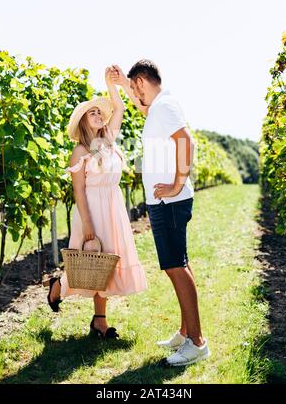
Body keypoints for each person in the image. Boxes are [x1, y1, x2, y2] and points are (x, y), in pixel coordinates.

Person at [110, 60, 210, 365]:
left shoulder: (165, 107)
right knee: (179, 264)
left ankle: (197, 342)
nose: (135, 98)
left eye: (135, 88)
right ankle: (185, 331)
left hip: (171, 202)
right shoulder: (156, 110)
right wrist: (121, 86)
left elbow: (186, 141)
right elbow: (142, 108)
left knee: (175, 266)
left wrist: (177, 183)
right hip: (163, 203)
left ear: (142, 81)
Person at [45, 67, 147, 339]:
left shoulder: (108, 141)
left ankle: (99, 321)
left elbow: (120, 108)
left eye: (100, 112)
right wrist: (88, 222)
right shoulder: (79, 151)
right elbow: (79, 191)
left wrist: (110, 85)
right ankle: (58, 286)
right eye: (93, 112)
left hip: (112, 207)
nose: (99, 115)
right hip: (91, 209)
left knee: (106, 265)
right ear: (82, 121)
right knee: (88, 263)